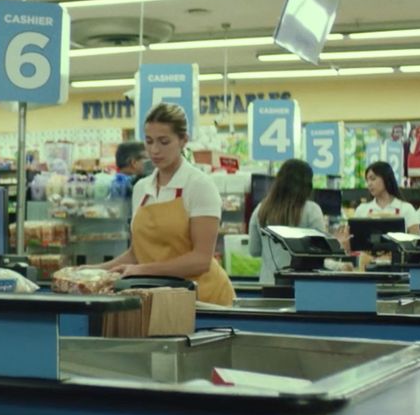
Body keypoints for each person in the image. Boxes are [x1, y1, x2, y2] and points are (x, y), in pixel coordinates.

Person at [92, 103, 235, 305]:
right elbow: (137, 253)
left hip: (204, 299)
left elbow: (201, 260)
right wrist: (94, 271)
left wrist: (142, 270)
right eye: (149, 142)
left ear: (183, 140)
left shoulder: (199, 186)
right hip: (161, 298)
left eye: (164, 141)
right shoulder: (142, 189)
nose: (155, 150)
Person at [247, 159, 326, 285]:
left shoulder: (260, 210)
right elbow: (321, 253)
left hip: (268, 285)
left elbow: (254, 250)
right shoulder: (312, 210)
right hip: (302, 287)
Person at [352, 161, 420, 233]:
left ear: (386, 178)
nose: (369, 184)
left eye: (373, 179)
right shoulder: (362, 209)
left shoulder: (406, 208)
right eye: (367, 180)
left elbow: (416, 240)